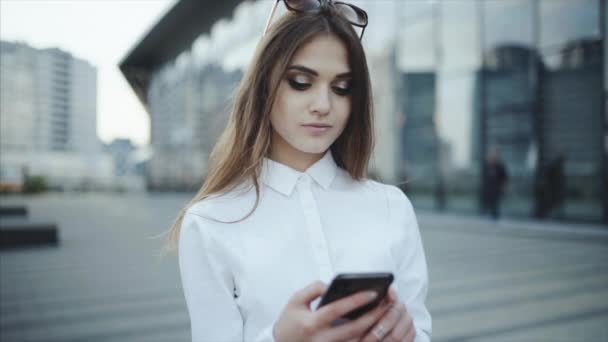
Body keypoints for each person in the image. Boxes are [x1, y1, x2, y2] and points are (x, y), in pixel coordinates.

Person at [167, 1, 431, 341]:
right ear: (265, 86)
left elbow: (420, 330)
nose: (323, 105)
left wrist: (406, 336)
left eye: (342, 88)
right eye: (301, 82)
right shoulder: (209, 223)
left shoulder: (392, 207)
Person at [482, 151, 508, 220]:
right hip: (488, 189)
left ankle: (495, 217)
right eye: (489, 157)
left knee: (495, 204)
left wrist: (503, 188)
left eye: (492, 157)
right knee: (489, 203)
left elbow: (504, 178)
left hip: (497, 189)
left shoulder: (500, 167)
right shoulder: (487, 166)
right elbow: (485, 178)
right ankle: (489, 215)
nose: (490, 159)